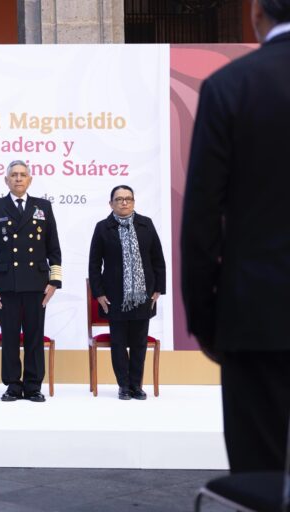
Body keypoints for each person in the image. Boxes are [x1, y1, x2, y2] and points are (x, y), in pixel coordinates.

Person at [181, 0, 290, 472]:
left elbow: (203, 215)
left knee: (260, 478)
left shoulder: (231, 85)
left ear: (256, 14)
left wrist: (206, 321)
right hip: (256, 315)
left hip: (257, 315)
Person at [0, 160, 61, 402]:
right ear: (6, 180)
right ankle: (13, 385)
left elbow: (53, 247)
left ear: (30, 180)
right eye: (13, 175)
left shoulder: (43, 207)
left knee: (35, 336)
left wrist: (54, 281)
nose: (18, 178)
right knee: (10, 337)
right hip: (7, 285)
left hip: (37, 284)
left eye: (22, 175)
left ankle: (34, 385)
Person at [88, 185, 165, 400]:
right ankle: (123, 386)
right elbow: (94, 265)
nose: (124, 202)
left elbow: (158, 259)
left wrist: (158, 289)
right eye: (119, 199)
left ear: (134, 202)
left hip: (143, 296)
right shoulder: (103, 227)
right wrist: (99, 294)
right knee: (119, 343)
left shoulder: (146, 224)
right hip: (114, 297)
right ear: (110, 203)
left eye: (128, 198)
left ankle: (136, 386)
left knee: (139, 343)